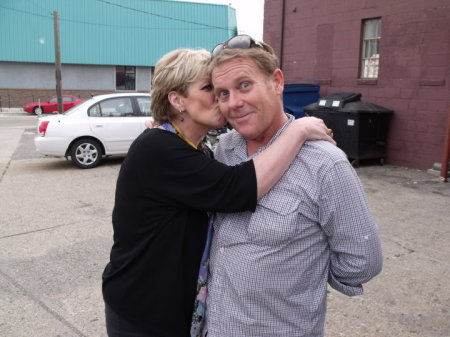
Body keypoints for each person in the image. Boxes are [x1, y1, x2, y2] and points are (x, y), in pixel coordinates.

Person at [102, 48, 334, 337]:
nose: (220, 98)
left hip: (173, 311)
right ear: (176, 100)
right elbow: (236, 189)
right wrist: (296, 131)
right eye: (209, 88)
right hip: (143, 314)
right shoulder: (158, 149)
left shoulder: (193, 150)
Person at [203, 35, 383, 337]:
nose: (234, 103)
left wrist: (303, 272)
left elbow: (362, 261)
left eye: (245, 85)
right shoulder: (222, 151)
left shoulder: (325, 164)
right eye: (223, 93)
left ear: (276, 82)